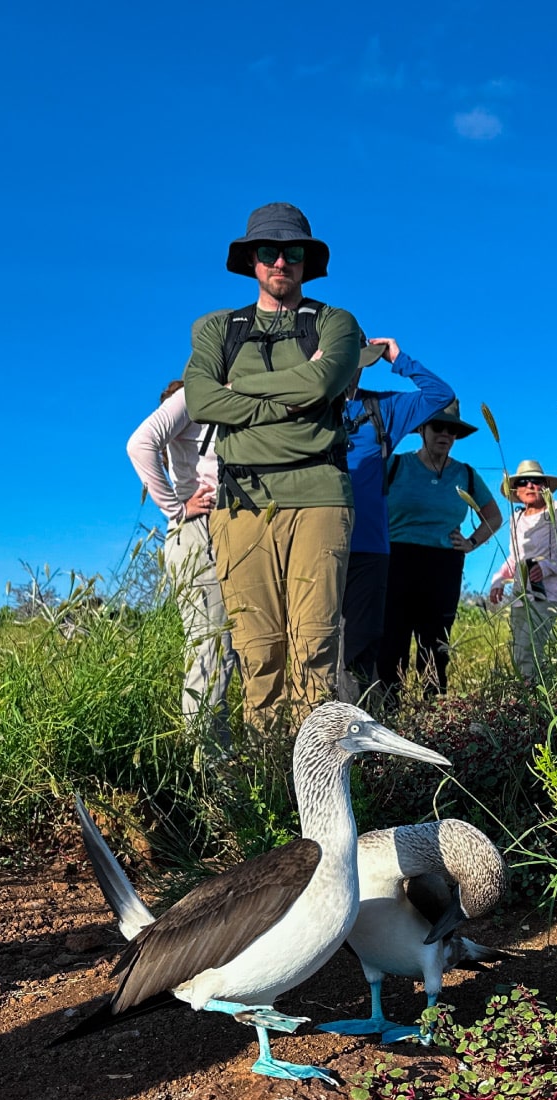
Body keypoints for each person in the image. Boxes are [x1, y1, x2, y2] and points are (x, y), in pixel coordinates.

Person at [183, 204, 360, 730]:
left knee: (314, 647)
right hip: (241, 503)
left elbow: (322, 384)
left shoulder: (335, 322)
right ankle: (268, 769)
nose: (280, 261)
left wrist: (238, 390)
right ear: (251, 260)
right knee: (257, 650)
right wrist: (291, 400)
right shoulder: (217, 327)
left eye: (292, 251)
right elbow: (201, 400)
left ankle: (317, 767)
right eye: (268, 251)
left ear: (307, 260)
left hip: (320, 496)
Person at [126, 333, 237, 743]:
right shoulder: (193, 396)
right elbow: (140, 444)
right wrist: (176, 508)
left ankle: (221, 755)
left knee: (224, 647)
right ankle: (206, 761)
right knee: (212, 648)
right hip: (197, 533)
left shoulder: (229, 399)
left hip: (221, 532)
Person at [338, 337, 455, 702]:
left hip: (369, 547)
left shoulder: (381, 408)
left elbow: (441, 396)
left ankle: (360, 724)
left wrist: (398, 358)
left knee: (362, 644)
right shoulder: (304, 405)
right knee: (315, 640)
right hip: (314, 541)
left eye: (358, 362)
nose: (351, 371)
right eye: (342, 360)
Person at [377, 402, 502, 699]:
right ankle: (389, 710)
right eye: (438, 427)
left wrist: (471, 542)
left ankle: (433, 710)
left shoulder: (465, 474)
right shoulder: (395, 465)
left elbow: (494, 516)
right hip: (397, 560)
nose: (445, 434)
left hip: (444, 564)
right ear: (422, 429)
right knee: (392, 640)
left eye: (452, 429)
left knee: (435, 643)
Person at [488, 459, 557, 682]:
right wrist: (499, 580)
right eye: (523, 482)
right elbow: (515, 558)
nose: (530, 486)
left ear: (545, 486)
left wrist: (548, 567)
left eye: (536, 481)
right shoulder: (515, 519)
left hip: (549, 594)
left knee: (529, 648)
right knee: (518, 650)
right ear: (516, 489)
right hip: (520, 594)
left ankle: (531, 695)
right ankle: (533, 693)